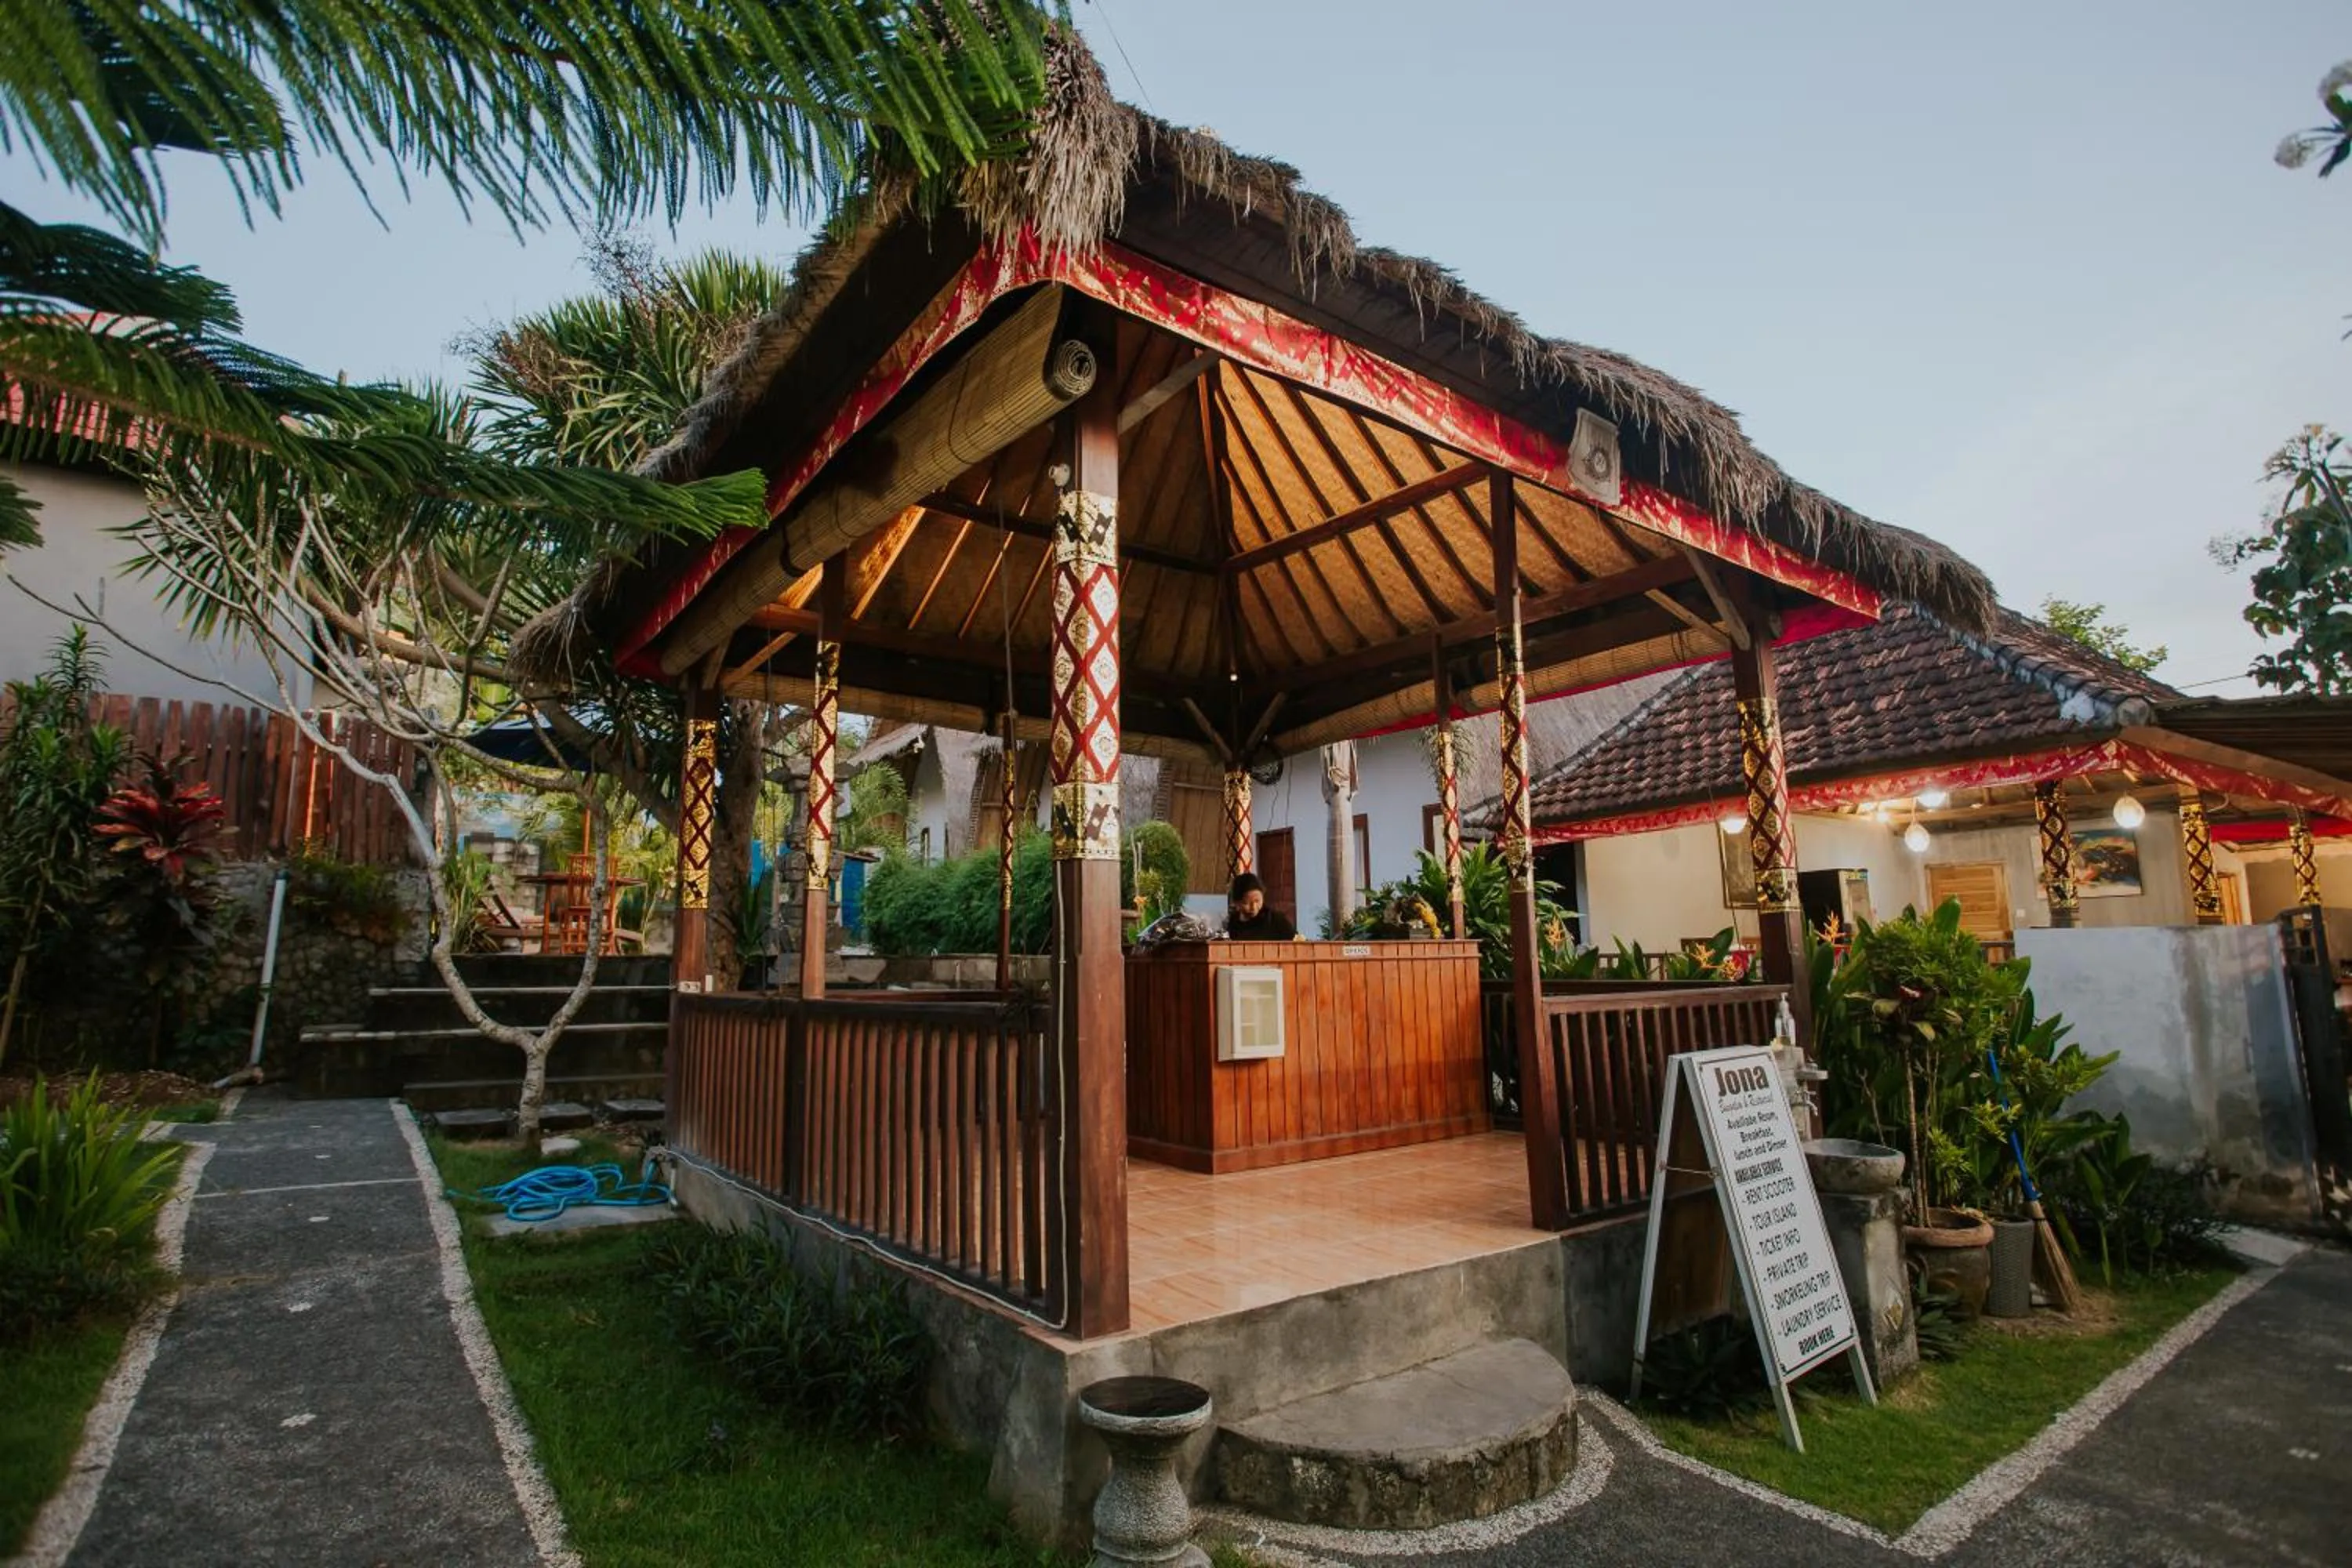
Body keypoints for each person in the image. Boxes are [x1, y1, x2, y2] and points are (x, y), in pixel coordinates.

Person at [1224, 872, 1298, 941]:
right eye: (1247, 903)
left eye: (1257, 901)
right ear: (1236, 903)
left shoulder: (1276, 920)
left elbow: (1297, 942)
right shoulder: (1231, 923)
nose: (1254, 907)